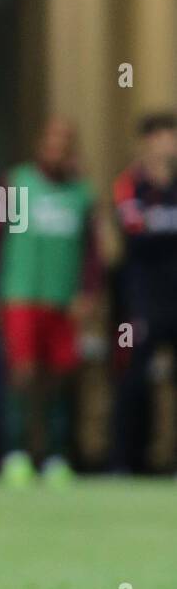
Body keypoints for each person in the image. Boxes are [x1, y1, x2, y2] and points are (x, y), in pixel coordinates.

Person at [0, 118, 103, 487]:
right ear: (40, 144)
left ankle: (56, 455)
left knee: (60, 378)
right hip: (20, 294)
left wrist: (89, 292)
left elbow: (92, 252)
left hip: (62, 299)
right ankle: (17, 453)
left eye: (65, 142)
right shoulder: (16, 182)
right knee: (22, 374)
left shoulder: (82, 194)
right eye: (51, 140)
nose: (57, 148)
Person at [111, 112, 177, 473]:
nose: (167, 144)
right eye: (160, 136)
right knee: (135, 378)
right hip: (142, 299)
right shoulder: (130, 184)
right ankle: (125, 462)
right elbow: (133, 225)